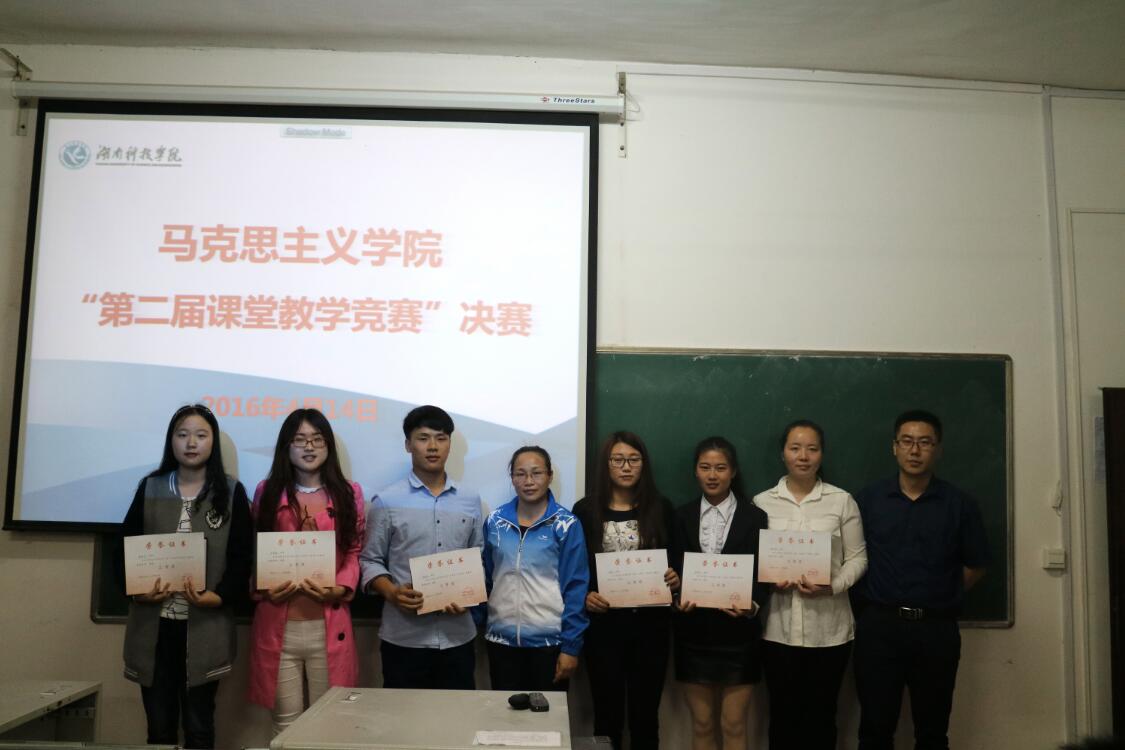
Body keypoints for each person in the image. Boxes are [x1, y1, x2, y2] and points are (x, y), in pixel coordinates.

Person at [117, 404, 253, 749]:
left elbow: (241, 557)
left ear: (213, 442)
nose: (191, 443)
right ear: (171, 441)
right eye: (182, 434)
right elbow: (124, 548)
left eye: (201, 435)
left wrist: (219, 596)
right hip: (155, 626)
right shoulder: (151, 487)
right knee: (159, 729)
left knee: (199, 726)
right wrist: (137, 591)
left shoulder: (231, 492)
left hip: (205, 626)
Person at [852, 409, 989, 750]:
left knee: (932, 733)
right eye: (907, 442)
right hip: (879, 627)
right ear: (894, 447)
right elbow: (850, 558)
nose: (915, 451)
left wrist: (939, 593)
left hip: (936, 630)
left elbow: (976, 565)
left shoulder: (960, 504)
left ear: (938, 449)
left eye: (925, 443)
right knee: (874, 730)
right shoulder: (867, 501)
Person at [246, 408, 366, 735]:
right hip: (278, 623)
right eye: (299, 440)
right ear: (286, 446)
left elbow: (354, 549)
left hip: (328, 622)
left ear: (328, 446)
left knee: (328, 725)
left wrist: (340, 587)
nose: (309, 447)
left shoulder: (349, 492)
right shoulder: (266, 491)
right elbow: (255, 550)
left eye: (317, 439)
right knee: (285, 725)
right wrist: (264, 585)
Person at [752, 420, 867, 750]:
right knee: (782, 716)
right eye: (795, 448)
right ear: (783, 453)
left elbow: (858, 558)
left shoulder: (841, 501)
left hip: (829, 631)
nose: (803, 456)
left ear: (821, 454)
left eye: (812, 449)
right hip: (777, 630)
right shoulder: (762, 503)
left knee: (822, 716)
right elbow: (752, 561)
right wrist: (768, 581)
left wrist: (833, 586)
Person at [359, 405, 483, 689]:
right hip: (404, 639)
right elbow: (369, 560)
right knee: (404, 717)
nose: (433, 446)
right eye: (423, 438)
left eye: (441, 438)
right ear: (408, 444)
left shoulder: (470, 499)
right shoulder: (387, 501)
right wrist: (392, 592)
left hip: (458, 638)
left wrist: (469, 595)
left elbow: (477, 555)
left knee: (458, 715)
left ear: (450, 444)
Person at [573, 432, 681, 749]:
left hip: (651, 629)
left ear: (643, 464)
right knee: (607, 717)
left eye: (634, 459)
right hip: (603, 629)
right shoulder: (585, 510)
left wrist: (676, 578)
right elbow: (575, 567)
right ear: (606, 464)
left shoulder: (661, 508)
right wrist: (586, 595)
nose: (626, 466)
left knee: (645, 717)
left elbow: (676, 560)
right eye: (618, 459)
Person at [674, 436, 768, 750]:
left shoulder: (755, 517)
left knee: (734, 724)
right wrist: (676, 598)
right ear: (695, 471)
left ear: (733, 471)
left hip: (739, 636)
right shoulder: (680, 516)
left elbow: (764, 572)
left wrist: (752, 604)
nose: (712, 475)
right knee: (701, 724)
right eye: (705, 467)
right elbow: (672, 570)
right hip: (693, 633)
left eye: (720, 468)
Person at [483, 445, 590, 692]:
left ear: (550, 476)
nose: (528, 481)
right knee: (504, 715)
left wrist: (571, 647)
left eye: (537, 473)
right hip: (501, 642)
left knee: (548, 715)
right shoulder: (495, 522)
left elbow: (576, 588)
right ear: (512, 478)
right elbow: (486, 578)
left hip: (550, 644)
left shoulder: (566, 524)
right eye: (520, 474)